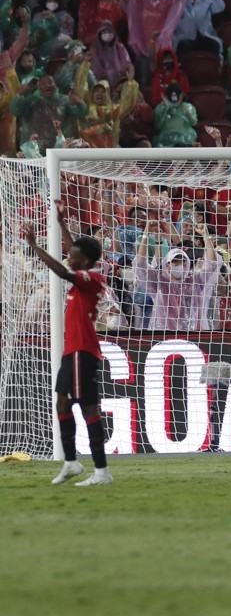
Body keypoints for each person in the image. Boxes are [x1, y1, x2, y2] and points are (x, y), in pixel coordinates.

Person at [20, 205, 112, 486]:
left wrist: (35, 245)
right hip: (71, 353)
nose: (68, 254)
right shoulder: (83, 275)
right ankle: (71, 463)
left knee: (88, 410)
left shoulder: (90, 279)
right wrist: (61, 224)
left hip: (82, 352)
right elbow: (75, 253)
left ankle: (101, 472)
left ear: (84, 261)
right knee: (62, 403)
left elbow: (63, 270)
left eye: (73, 254)